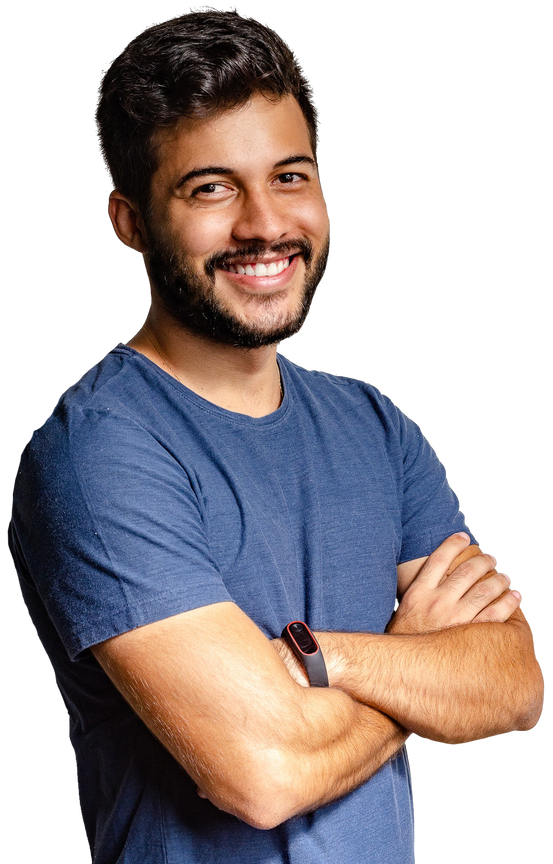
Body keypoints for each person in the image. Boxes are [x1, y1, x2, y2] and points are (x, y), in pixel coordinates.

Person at [4, 9, 544, 864]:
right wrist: (414, 659)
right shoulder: (96, 451)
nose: (264, 223)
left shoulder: (375, 426)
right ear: (129, 221)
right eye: (210, 188)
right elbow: (262, 773)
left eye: (289, 176)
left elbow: (512, 683)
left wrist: (320, 662)